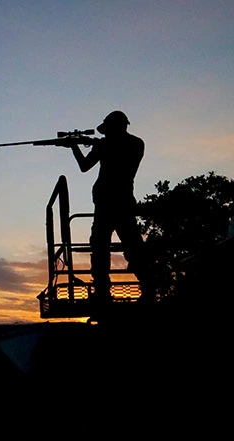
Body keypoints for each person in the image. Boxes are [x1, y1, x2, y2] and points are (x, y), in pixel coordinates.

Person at [64, 110, 153, 303]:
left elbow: (84, 166)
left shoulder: (108, 144)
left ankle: (104, 292)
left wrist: (74, 147)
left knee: (101, 248)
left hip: (107, 204)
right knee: (131, 247)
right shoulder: (136, 144)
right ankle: (147, 288)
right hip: (123, 203)